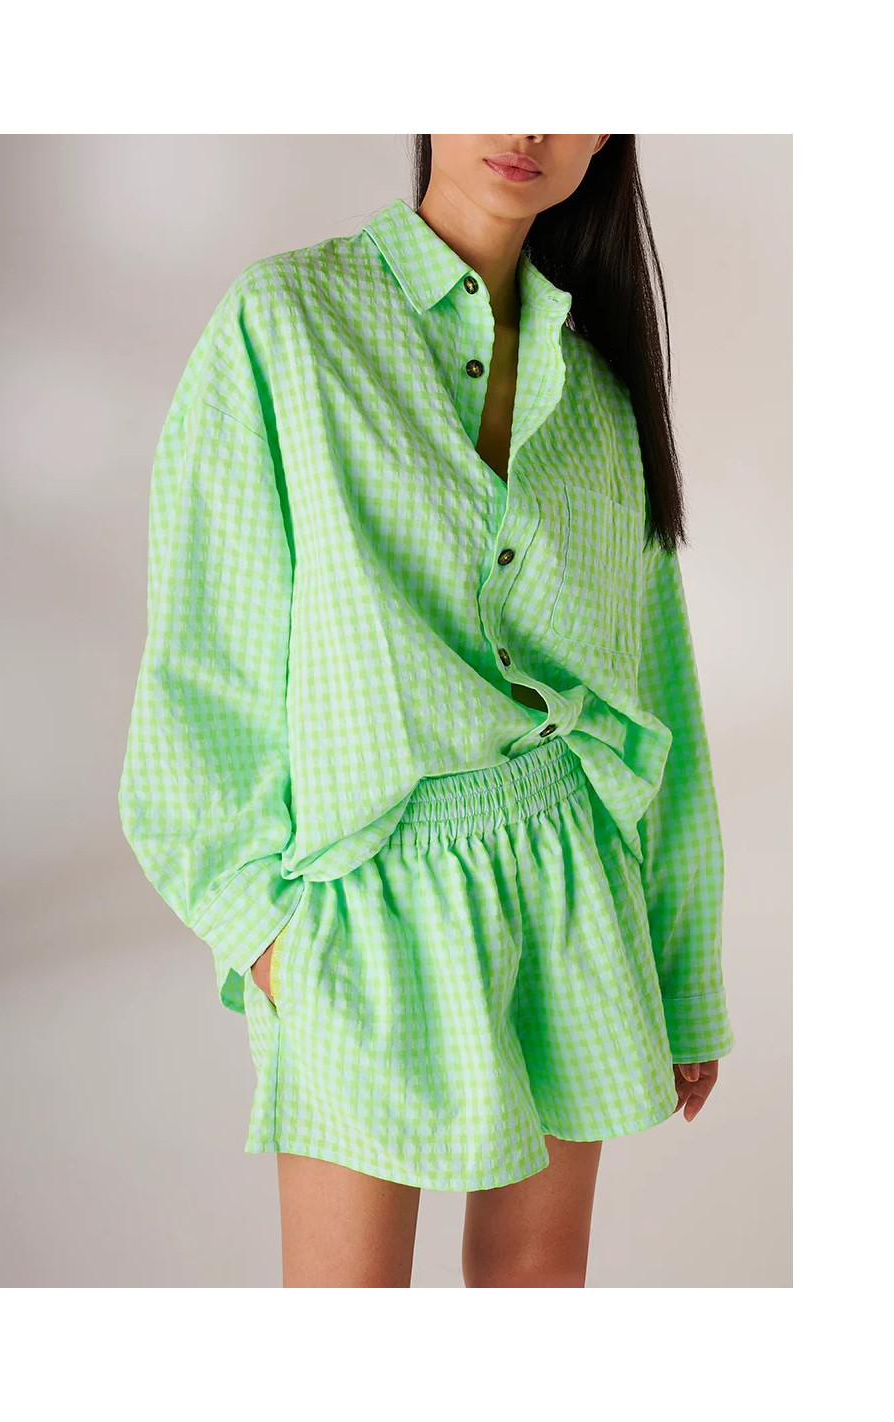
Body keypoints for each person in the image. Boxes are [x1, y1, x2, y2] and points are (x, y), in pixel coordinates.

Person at [118, 134, 735, 1287]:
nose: (527, 125)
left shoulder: (598, 389)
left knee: (532, 1291)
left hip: (571, 881)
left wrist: (680, 968)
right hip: (362, 899)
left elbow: (654, 693)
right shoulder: (287, 322)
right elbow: (207, 655)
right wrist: (267, 934)